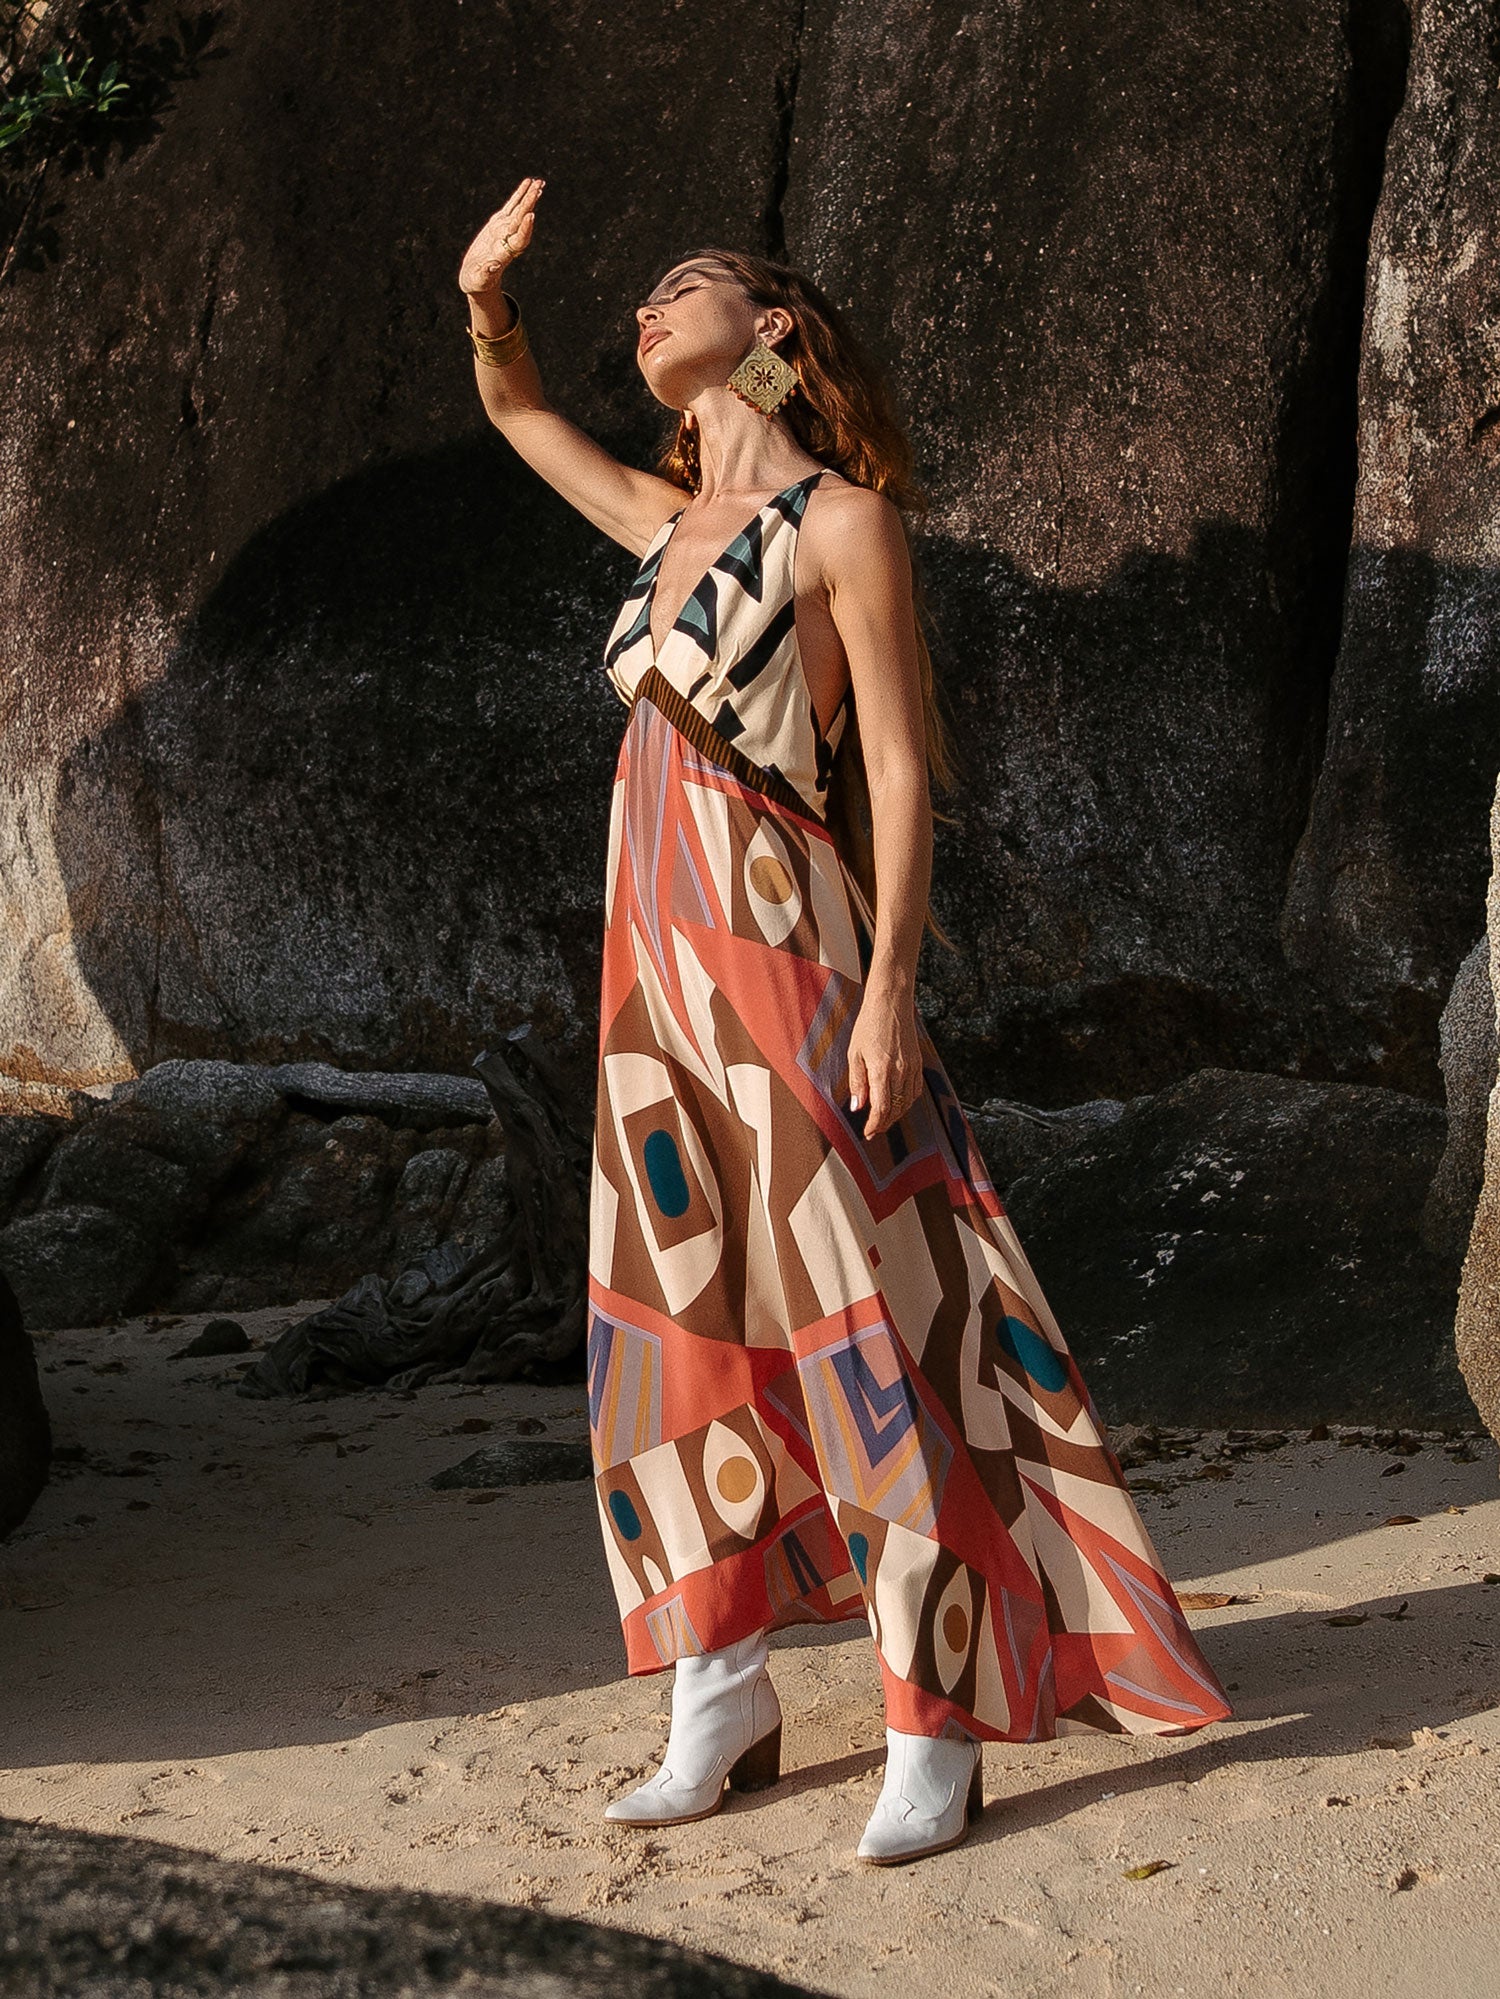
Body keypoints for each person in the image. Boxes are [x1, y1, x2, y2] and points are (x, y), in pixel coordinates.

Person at [458, 177, 1232, 1867]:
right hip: (650, 997)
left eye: (684, 285)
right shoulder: (656, 526)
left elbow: (892, 774)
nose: (646, 311)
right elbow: (515, 408)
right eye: (641, 297)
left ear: (777, 330)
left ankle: (928, 1717)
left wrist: (890, 991)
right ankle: (713, 1693)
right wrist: (489, 302)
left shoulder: (840, 527)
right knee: (675, 1344)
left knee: (865, 1337)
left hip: (789, 965)